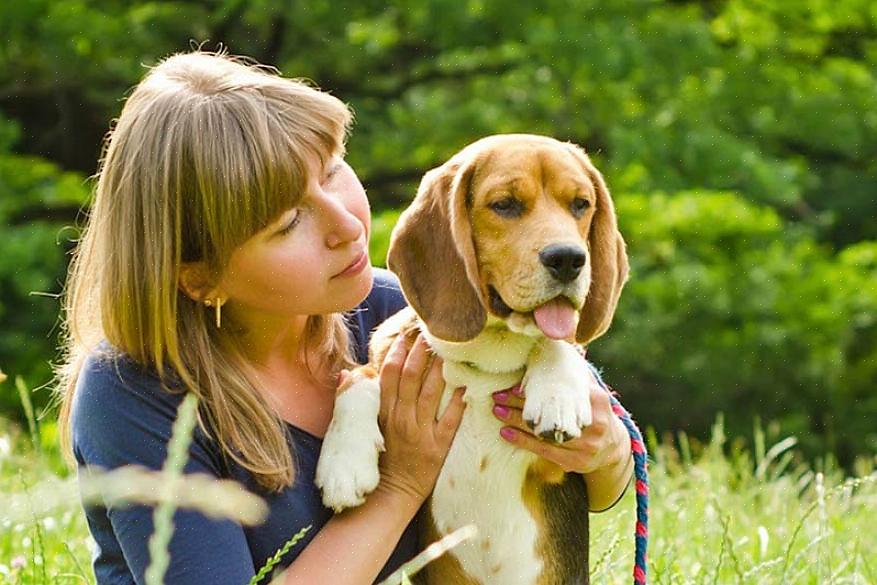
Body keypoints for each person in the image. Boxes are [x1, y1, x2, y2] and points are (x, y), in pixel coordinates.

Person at [56, 50, 634, 585]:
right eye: (288, 222)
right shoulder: (134, 392)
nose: (349, 226)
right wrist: (400, 486)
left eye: (332, 172)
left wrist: (602, 452)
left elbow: (597, 476)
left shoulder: (388, 314)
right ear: (199, 275)